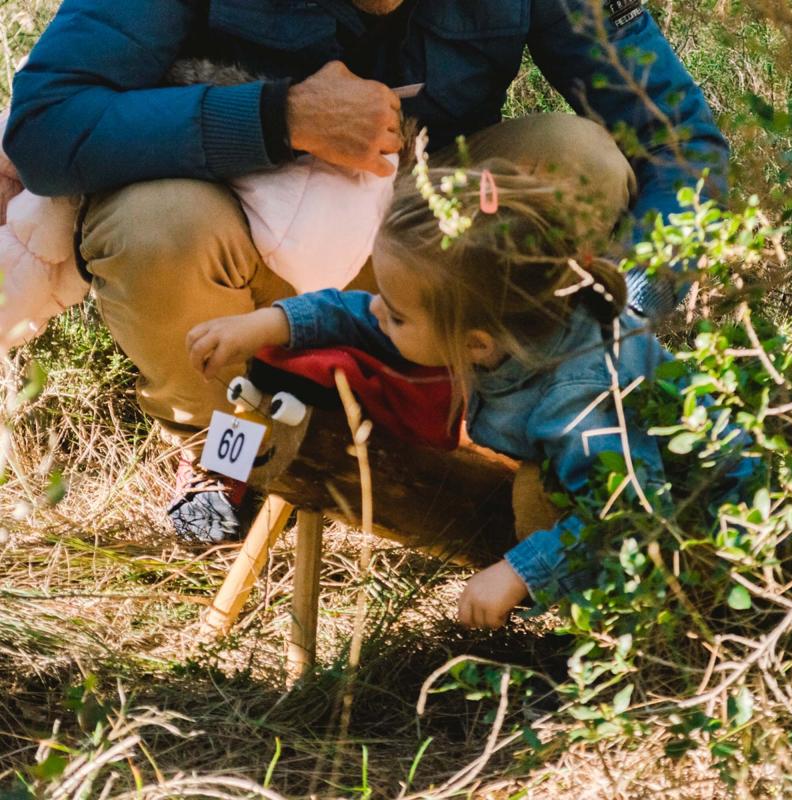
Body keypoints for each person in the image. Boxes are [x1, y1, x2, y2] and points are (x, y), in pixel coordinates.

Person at [4, 0, 729, 539]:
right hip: (235, 257)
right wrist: (277, 118)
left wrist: (625, 325)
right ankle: (225, 444)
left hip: (417, 267)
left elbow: (677, 145)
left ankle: (514, 406)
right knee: (154, 227)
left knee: (580, 162)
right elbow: (46, 123)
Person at [185, 158, 753, 628]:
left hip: (713, 530)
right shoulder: (510, 320)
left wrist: (519, 573)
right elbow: (365, 315)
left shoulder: (582, 394)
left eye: (398, 311)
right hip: (637, 488)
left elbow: (630, 515)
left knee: (538, 499)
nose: (376, 308)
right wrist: (272, 323)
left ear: (477, 345)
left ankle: (647, 636)